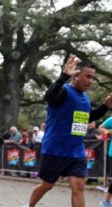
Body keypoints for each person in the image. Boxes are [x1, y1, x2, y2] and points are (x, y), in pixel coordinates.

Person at [24, 55, 112, 207]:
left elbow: (88, 117)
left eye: (93, 78)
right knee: (47, 185)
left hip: (76, 151)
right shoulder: (63, 91)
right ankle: (29, 206)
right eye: (88, 77)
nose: (90, 81)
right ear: (76, 75)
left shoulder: (85, 98)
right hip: (56, 148)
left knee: (78, 186)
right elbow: (49, 96)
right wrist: (63, 76)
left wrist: (105, 107)